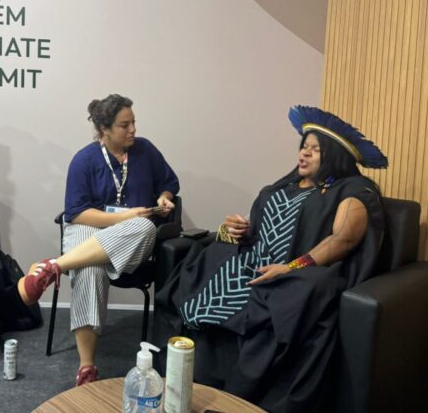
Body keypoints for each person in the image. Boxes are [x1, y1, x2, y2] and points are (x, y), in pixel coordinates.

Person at [155, 105, 388, 413]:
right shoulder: (284, 186)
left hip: (299, 268)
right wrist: (233, 230)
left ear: (335, 156)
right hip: (255, 258)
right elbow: (260, 231)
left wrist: (291, 267)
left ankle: (237, 394)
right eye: (303, 147)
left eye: (315, 150)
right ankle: (191, 375)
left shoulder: (352, 190)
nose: (304, 153)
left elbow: (342, 239)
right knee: (205, 262)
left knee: (283, 296)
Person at [17, 94, 180, 386]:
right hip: (89, 226)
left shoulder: (145, 150)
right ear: (104, 129)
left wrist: (163, 199)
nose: (132, 130)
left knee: (144, 226)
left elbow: (169, 184)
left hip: (132, 239)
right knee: (90, 268)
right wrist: (123, 217)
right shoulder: (84, 160)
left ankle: (53, 267)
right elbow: (77, 213)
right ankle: (87, 368)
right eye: (124, 125)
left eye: (133, 122)